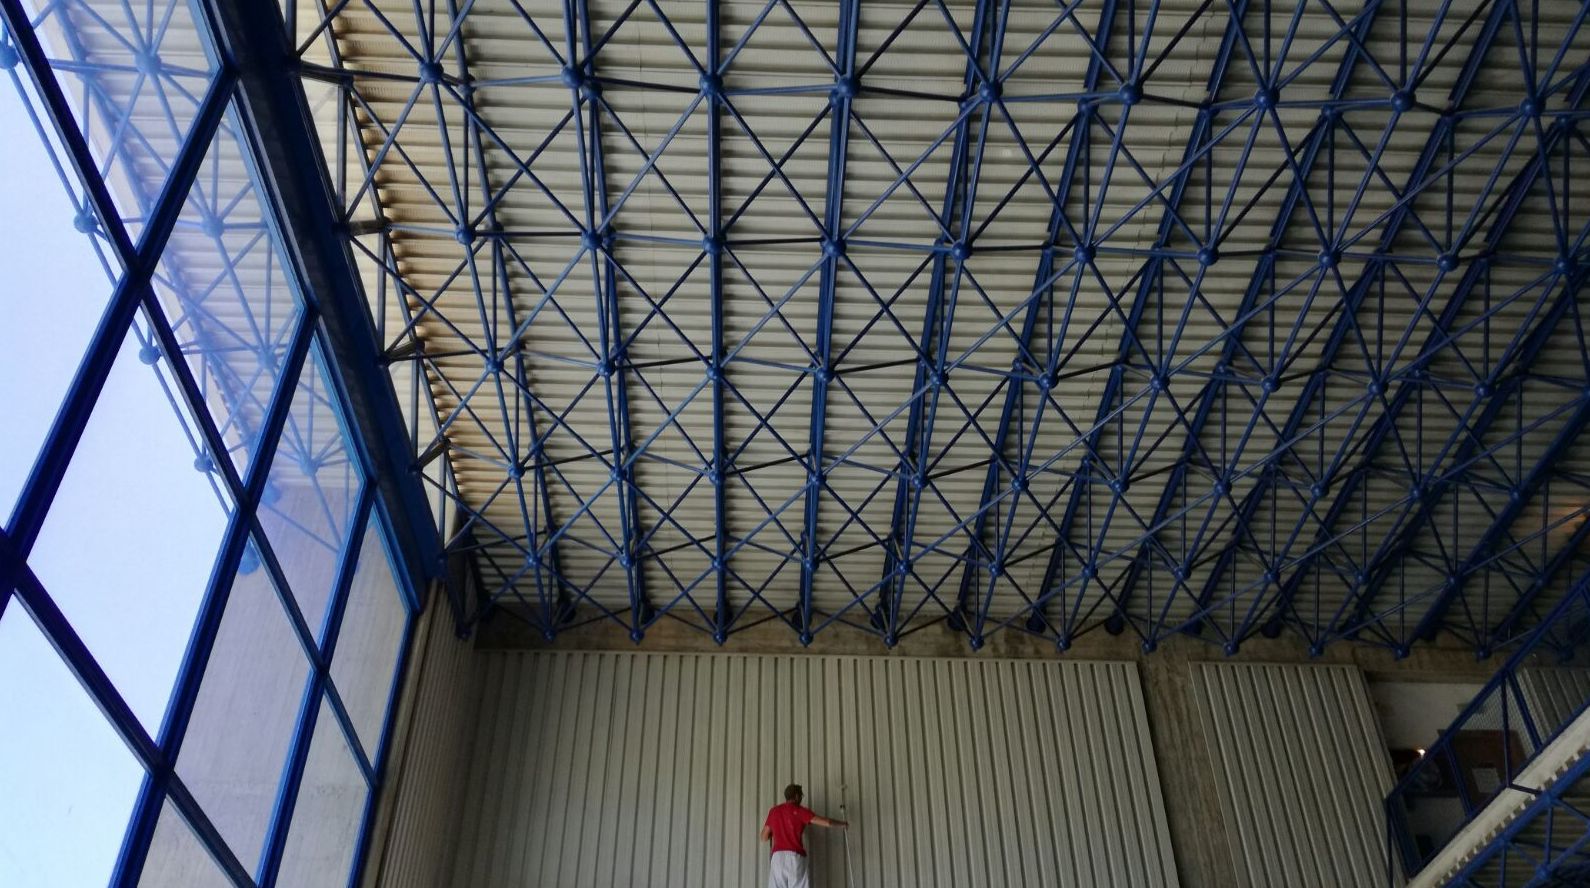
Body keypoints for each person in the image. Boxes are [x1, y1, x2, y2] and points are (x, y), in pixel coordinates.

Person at [760, 783, 847, 888]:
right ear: (796, 796)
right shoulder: (800, 811)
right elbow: (827, 822)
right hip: (794, 858)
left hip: (777, 859)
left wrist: (776, 831)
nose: (801, 798)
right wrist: (843, 824)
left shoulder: (774, 811)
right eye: (801, 795)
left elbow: (763, 837)